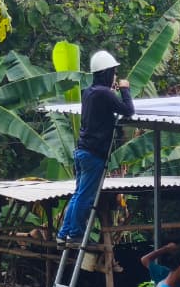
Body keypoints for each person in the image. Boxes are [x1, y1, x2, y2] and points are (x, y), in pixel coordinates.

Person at [56, 50, 134, 246]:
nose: (115, 77)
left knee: (78, 194)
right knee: (85, 196)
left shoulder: (90, 93)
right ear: (106, 73)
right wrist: (125, 89)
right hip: (93, 155)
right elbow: (128, 110)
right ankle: (76, 234)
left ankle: (64, 233)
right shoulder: (104, 93)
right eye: (114, 73)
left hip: (82, 151)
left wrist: (114, 91)